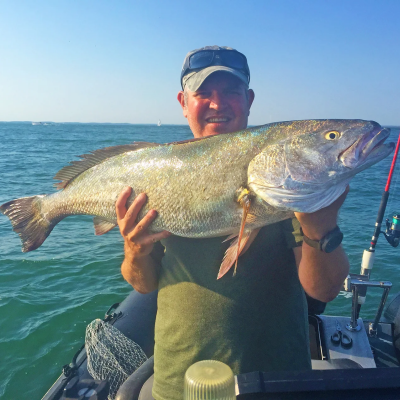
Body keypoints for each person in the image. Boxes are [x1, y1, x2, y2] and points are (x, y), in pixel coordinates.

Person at [115, 46, 350, 400]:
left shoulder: (285, 177)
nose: (217, 103)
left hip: (276, 382)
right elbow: (143, 284)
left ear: (249, 100)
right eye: (203, 93)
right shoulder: (156, 177)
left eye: (231, 91)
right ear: (183, 102)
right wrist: (134, 251)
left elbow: (324, 290)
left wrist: (321, 227)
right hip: (178, 384)